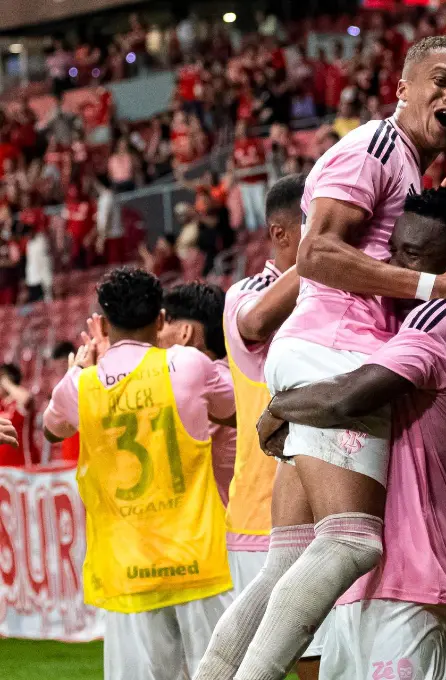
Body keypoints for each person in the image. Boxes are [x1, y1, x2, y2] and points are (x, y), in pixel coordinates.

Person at [196, 37, 446, 680]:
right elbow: (319, 254)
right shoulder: (375, 148)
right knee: (353, 542)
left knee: (288, 558)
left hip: (316, 347)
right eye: (440, 81)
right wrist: (433, 286)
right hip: (336, 349)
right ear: (402, 88)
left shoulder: (405, 165)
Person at [256, 188, 446, 680]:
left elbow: (352, 397)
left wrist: (279, 408)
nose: (394, 263)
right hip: (372, 579)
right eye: (393, 247)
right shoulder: (415, 320)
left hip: (412, 576)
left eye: (410, 253)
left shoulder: (441, 318)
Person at [42, 267, 237, 680]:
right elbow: (234, 410)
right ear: (162, 319)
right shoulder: (188, 365)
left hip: (127, 569)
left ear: (104, 324)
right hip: (195, 559)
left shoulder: (82, 385)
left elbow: (50, 427)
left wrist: (82, 366)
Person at [196, 175, 324, 678]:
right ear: (282, 233)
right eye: (319, 224)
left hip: (332, 505)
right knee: (283, 661)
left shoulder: (335, 289)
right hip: (263, 516)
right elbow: (253, 324)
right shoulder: (246, 294)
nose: (335, 233)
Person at [158, 282, 235, 506]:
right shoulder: (231, 375)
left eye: (161, 326)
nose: (155, 339)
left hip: (229, 533)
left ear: (185, 333)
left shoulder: (204, 387)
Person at [0, 364, 34, 467]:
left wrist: (6, 383)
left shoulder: (18, 402)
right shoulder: (1, 403)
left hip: (22, 465)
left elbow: (26, 398)